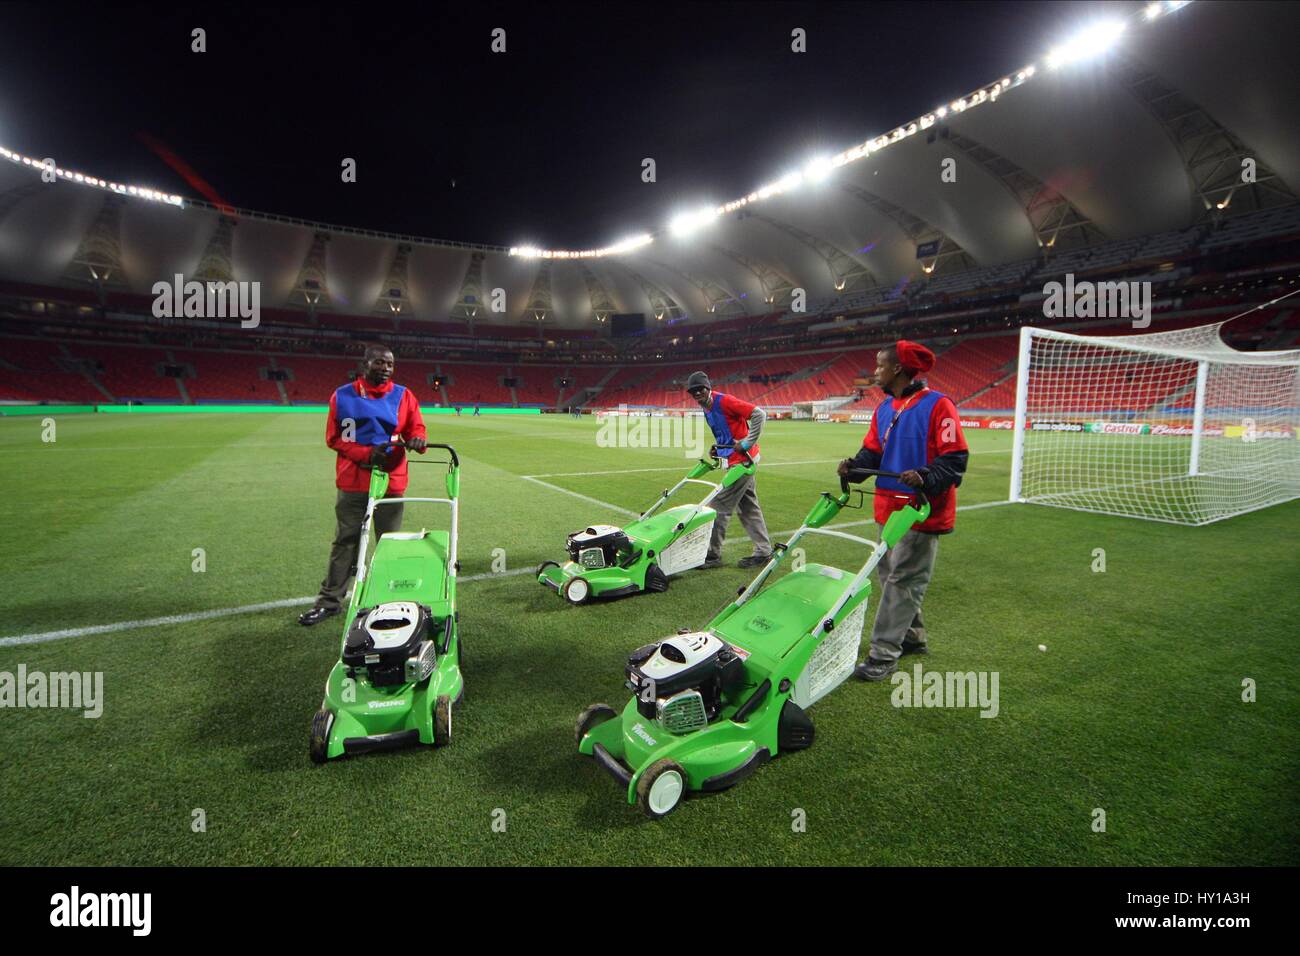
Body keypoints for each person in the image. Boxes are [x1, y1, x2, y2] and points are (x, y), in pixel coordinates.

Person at [837, 340, 968, 679]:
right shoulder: (884, 409)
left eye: (880, 365)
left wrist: (924, 476)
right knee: (893, 579)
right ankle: (911, 636)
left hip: (920, 512)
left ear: (897, 368)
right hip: (887, 511)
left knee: (902, 582)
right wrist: (854, 468)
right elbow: (872, 454)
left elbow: (954, 460)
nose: (874, 371)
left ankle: (882, 655)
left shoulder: (939, 406)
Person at [298, 344, 427, 626]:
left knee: (388, 543)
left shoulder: (404, 395)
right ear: (364, 364)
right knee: (346, 541)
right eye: (379, 363)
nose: (385, 369)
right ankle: (330, 602)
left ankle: (386, 601)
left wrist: (417, 439)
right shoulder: (343, 396)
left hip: (390, 482)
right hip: (354, 479)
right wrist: (367, 454)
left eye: (390, 364)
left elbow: (415, 427)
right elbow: (335, 438)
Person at [685, 371, 773, 569]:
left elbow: (759, 414)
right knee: (749, 508)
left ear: (708, 388)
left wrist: (748, 442)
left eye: (700, 389)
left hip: (743, 462)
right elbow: (726, 433)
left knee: (717, 507)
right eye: (693, 391)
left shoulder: (724, 401)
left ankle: (712, 555)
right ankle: (764, 551)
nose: (697, 393)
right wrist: (718, 447)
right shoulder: (705, 408)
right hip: (734, 462)